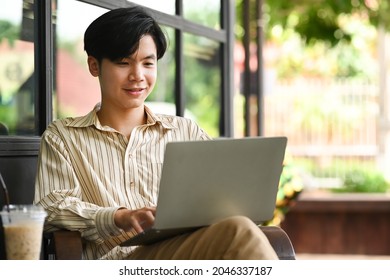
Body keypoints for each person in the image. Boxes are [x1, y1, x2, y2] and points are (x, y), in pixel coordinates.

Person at [34, 6, 278, 260]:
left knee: (239, 229)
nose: (137, 76)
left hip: (187, 255)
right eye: (123, 63)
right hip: (119, 263)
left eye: (148, 63)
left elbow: (224, 195)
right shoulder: (62, 137)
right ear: (94, 66)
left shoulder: (184, 131)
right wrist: (120, 217)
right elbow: (50, 207)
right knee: (238, 232)